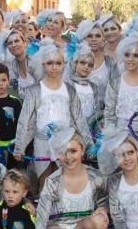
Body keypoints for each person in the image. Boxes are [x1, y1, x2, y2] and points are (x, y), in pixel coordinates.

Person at [14, 40, 93, 191]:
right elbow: (25, 121)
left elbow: (78, 119)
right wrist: (20, 146)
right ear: (43, 65)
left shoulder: (69, 89)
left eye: (58, 63)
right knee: (45, 181)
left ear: (64, 64)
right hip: (41, 142)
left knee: (64, 180)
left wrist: (88, 144)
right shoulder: (34, 90)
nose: (54, 67)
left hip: (65, 144)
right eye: (50, 63)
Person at [32, 130, 109, 229]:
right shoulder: (52, 181)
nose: (68, 157)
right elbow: (41, 219)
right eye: (63, 152)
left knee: (100, 221)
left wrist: (104, 208)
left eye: (73, 151)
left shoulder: (96, 176)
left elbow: (105, 198)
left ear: (82, 150)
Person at [104, 35, 138, 135]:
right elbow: (109, 112)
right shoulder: (115, 81)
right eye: (127, 55)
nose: (131, 59)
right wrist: (110, 135)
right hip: (120, 134)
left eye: (136, 55)